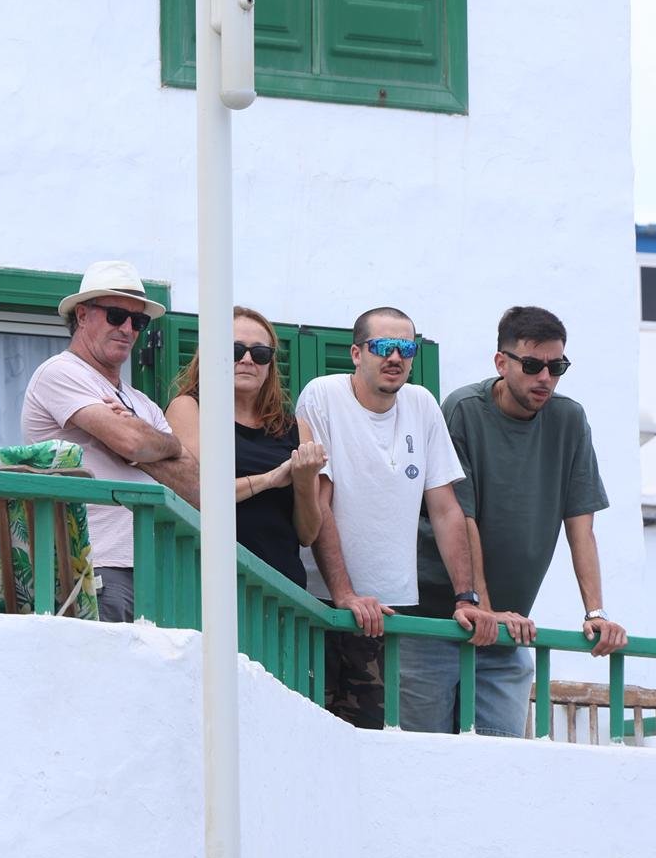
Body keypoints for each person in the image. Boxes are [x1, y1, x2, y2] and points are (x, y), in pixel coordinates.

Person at [399, 306, 629, 736]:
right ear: (501, 363)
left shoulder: (570, 419)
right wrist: (484, 610)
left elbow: (582, 525)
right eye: (532, 365)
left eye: (556, 366)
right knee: (419, 758)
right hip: (433, 620)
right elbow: (460, 517)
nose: (545, 377)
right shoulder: (464, 408)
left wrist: (595, 612)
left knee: (498, 764)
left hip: (507, 630)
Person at [297, 307, 499, 729]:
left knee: (371, 741)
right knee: (307, 728)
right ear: (356, 353)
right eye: (383, 346)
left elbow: (446, 509)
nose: (395, 357)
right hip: (322, 603)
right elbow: (321, 502)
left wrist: (467, 597)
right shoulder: (322, 395)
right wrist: (345, 593)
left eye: (406, 347)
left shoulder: (422, 403)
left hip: (389, 611)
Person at [21, 260, 198, 623]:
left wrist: (157, 446)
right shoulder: (60, 372)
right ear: (82, 315)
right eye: (117, 315)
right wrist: (151, 445)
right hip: (95, 564)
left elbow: (196, 486)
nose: (129, 329)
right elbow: (131, 440)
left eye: (139, 321)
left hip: (153, 567)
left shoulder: (141, 403)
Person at [163, 306, 326, 589]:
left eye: (260, 353)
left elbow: (308, 534)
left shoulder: (296, 428)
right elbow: (196, 492)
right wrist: (269, 480)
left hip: (281, 591)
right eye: (235, 350)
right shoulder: (190, 409)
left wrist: (303, 481)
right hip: (209, 585)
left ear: (270, 365)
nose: (248, 360)